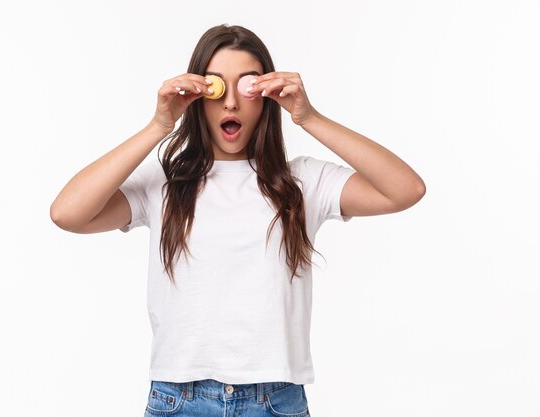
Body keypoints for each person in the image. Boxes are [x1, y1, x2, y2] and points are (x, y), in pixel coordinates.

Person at [50, 23, 425, 417]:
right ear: (197, 97)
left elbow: (406, 189)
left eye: (246, 86)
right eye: (215, 87)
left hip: (275, 401)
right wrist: (159, 126)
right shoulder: (166, 183)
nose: (230, 103)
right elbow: (67, 213)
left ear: (265, 97)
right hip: (179, 400)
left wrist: (308, 117)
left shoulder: (303, 182)